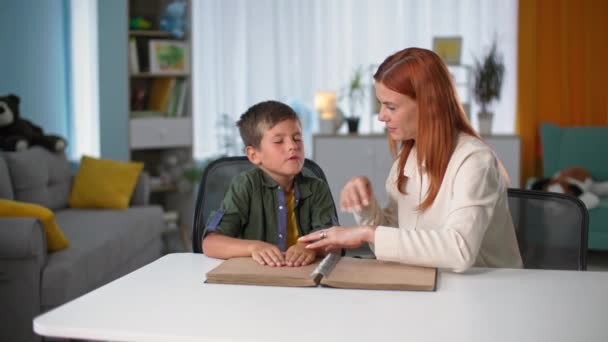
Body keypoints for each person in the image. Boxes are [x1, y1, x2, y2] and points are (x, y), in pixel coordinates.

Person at [299, 48, 523, 272]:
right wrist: (367, 208)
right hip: (434, 285)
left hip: (489, 291)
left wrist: (367, 233)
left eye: (391, 106)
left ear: (428, 106)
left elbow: (459, 251)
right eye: (380, 104)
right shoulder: (407, 159)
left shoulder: (474, 160)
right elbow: (394, 246)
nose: (381, 116)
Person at [202, 100, 336, 267]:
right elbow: (210, 244)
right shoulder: (245, 185)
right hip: (258, 280)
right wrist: (254, 247)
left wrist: (309, 248)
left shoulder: (317, 188)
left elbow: (334, 242)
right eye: (279, 141)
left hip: (305, 277)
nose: (292, 146)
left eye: (297, 138)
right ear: (254, 155)